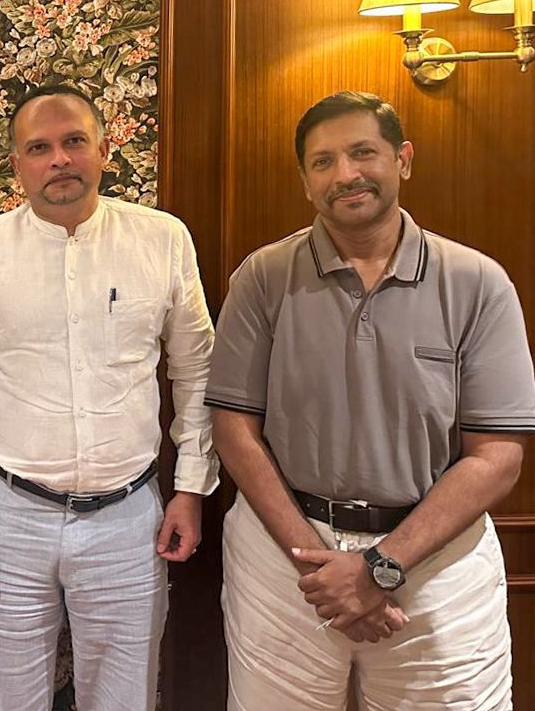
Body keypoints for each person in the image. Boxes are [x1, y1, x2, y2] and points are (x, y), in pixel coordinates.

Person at [206, 90, 533, 710]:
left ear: (402, 159)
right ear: (305, 181)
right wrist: (319, 571)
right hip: (285, 558)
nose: (345, 174)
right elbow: (234, 432)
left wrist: (381, 567)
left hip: (439, 564)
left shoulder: (478, 283)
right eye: (323, 162)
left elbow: (498, 456)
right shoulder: (262, 278)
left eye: (363, 153)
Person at [0, 84, 218, 711]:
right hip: (7, 516)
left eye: (74, 141)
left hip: (130, 519)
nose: (59, 159)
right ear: (17, 165)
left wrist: (191, 488)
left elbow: (197, 373)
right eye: (39, 148)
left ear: (104, 150)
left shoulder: (163, 239)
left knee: (123, 700)